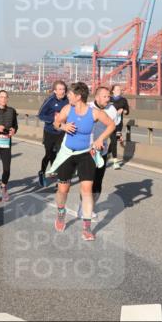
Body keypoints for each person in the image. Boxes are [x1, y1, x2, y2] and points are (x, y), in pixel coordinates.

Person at [48, 82, 115, 241]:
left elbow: (111, 125)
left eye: (70, 94)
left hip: (86, 154)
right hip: (68, 154)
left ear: (78, 96)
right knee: (63, 189)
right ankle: (61, 212)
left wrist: (100, 138)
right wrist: (63, 126)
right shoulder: (67, 109)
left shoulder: (94, 113)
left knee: (87, 189)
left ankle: (87, 228)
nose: (68, 96)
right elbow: (56, 123)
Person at [83, 86, 117, 218]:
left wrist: (102, 140)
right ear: (97, 97)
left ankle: (91, 205)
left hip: (102, 150)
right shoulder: (87, 107)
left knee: (97, 182)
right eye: (105, 96)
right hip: (86, 150)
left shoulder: (112, 109)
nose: (108, 99)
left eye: (109, 96)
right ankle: (85, 207)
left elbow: (112, 127)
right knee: (87, 182)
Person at [36, 81, 69, 188]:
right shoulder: (49, 100)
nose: (62, 91)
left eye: (63, 89)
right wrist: (53, 119)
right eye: (59, 89)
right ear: (55, 91)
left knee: (61, 154)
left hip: (62, 132)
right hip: (50, 132)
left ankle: (60, 180)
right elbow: (40, 115)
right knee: (49, 154)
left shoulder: (68, 101)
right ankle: (42, 172)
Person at [0, 90, 19, 202]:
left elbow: (15, 125)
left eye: (5, 97)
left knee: (6, 168)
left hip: (6, 143)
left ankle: (4, 186)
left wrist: (13, 130)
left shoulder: (12, 111)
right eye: (1, 97)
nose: (3, 99)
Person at [109, 84, 130, 169]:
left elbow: (127, 111)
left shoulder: (123, 100)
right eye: (117, 89)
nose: (118, 91)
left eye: (120, 89)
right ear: (113, 91)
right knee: (113, 141)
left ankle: (106, 154)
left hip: (119, 124)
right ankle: (115, 162)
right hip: (109, 123)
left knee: (115, 140)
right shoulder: (109, 99)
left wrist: (124, 110)